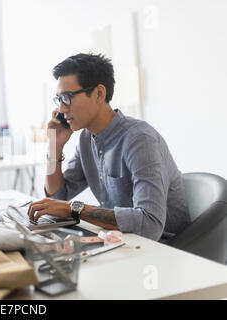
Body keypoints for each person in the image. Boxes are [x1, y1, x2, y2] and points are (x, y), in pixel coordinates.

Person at [27, 53, 190, 242]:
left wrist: (75, 209)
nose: (62, 109)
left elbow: (150, 224)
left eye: (67, 97)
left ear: (99, 94)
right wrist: (54, 144)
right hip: (124, 241)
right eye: (59, 100)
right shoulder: (87, 139)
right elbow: (57, 195)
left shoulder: (140, 140)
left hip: (164, 248)